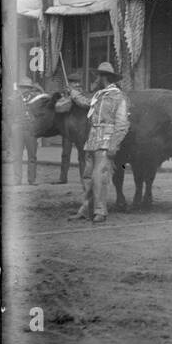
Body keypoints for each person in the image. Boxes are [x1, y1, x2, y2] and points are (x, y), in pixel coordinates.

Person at [69, 62, 130, 224]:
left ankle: (100, 211)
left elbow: (122, 124)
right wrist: (73, 94)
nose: (94, 80)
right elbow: (86, 104)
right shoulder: (99, 95)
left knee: (99, 177)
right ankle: (86, 210)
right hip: (92, 140)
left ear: (104, 78)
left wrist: (114, 144)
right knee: (88, 176)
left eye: (97, 76)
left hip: (106, 142)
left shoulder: (118, 97)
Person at [10, 78, 46, 186]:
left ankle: (32, 180)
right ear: (20, 88)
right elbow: (9, 114)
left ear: (30, 89)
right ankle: (17, 179)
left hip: (31, 129)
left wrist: (40, 89)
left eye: (27, 88)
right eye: (23, 87)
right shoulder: (14, 99)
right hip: (18, 128)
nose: (25, 90)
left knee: (32, 156)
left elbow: (45, 100)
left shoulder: (35, 98)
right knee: (17, 155)